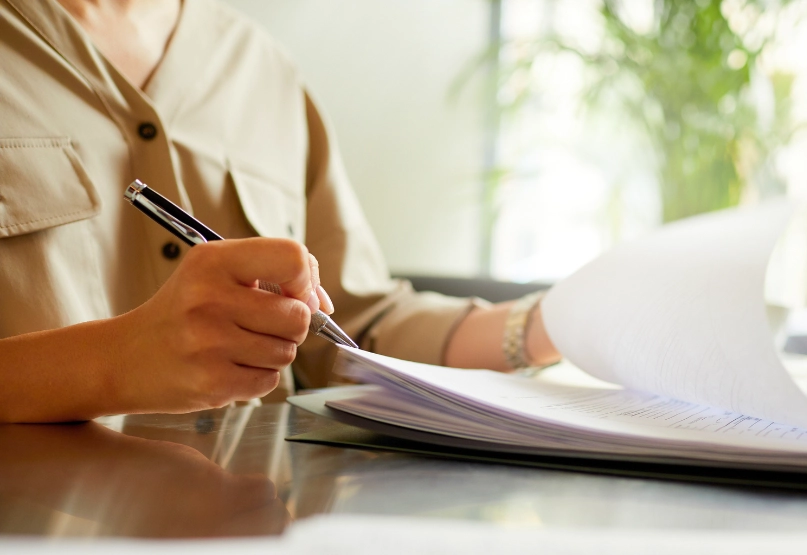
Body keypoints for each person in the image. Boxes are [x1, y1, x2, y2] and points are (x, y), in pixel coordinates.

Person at [0, 0, 560, 423]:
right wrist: (116, 361)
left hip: (264, 523)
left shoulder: (261, 68)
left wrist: (554, 323)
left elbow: (353, 332)